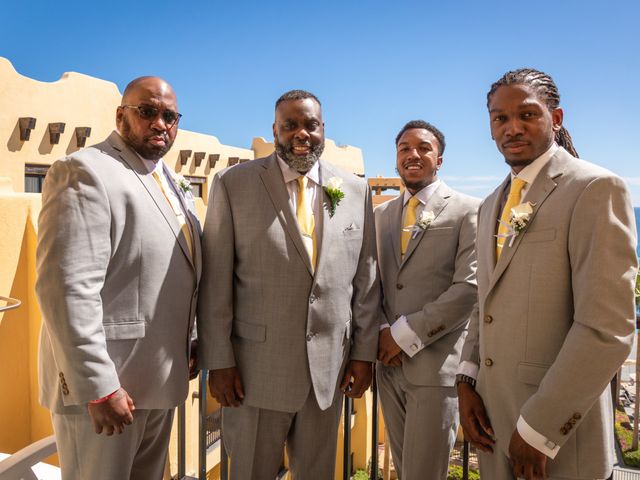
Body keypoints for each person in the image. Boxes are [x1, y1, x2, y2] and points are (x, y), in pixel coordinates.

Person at [457, 68, 637, 480]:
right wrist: (466, 380)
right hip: (491, 424)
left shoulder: (594, 188)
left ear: (556, 119)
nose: (512, 128)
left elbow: (607, 329)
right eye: (500, 118)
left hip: (556, 437)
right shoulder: (489, 206)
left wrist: (540, 428)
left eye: (527, 115)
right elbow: (485, 302)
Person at [197, 89, 379, 479]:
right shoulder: (233, 184)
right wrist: (220, 361)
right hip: (253, 374)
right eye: (290, 125)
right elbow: (216, 281)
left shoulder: (354, 189)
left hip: (329, 374)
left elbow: (365, 277)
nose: (301, 133)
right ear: (275, 131)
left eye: (310, 125)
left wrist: (363, 354)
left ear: (323, 130)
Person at [36, 76, 201, 479]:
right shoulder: (85, 171)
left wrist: (191, 338)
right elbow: (66, 288)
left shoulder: (171, 181)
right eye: (147, 111)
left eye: (170, 116)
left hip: (158, 382)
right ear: (121, 116)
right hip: (110, 389)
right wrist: (98, 386)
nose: (160, 123)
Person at [375, 120, 479, 479]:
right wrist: (381, 331)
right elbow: (370, 283)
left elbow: (469, 288)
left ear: (440, 159)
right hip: (387, 367)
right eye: (404, 148)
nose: (413, 155)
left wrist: (401, 335)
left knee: (425, 473)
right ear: (396, 159)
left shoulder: (468, 210)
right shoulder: (381, 215)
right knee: (406, 470)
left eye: (423, 148)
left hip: (435, 368)